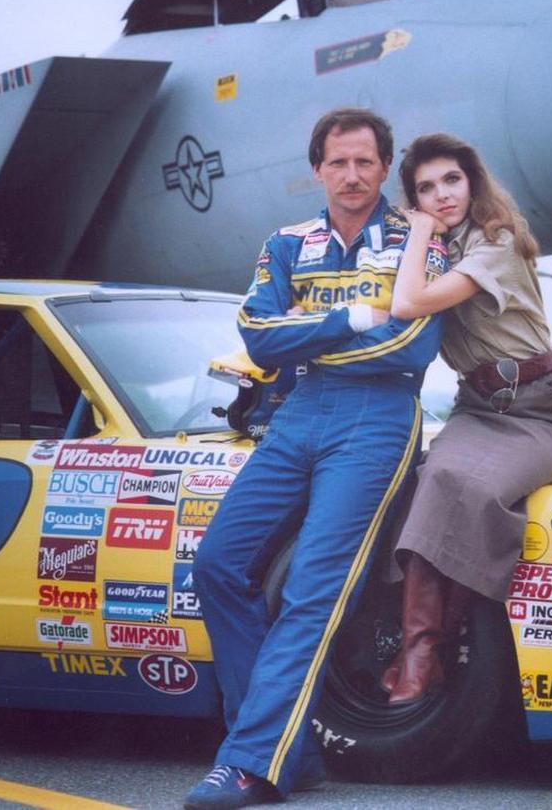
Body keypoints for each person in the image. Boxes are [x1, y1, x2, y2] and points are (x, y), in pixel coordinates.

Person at [185, 108, 444, 809]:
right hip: (299, 413)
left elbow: (413, 346)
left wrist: (313, 338)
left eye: (365, 162)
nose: (352, 175)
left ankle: (248, 763)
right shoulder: (287, 242)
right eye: (338, 163)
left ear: (385, 168)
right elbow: (260, 339)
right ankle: (287, 751)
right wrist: (349, 319)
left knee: (315, 591)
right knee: (218, 566)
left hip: (379, 417)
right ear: (317, 169)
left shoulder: (417, 239)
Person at [382, 132, 552, 705]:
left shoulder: (495, 242)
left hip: (540, 412)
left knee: (469, 488)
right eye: (426, 188)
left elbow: (408, 303)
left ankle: (429, 650)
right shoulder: (445, 244)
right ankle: (419, 647)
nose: (442, 195)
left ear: (472, 181)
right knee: (429, 480)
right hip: (477, 407)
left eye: (451, 180)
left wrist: (417, 229)